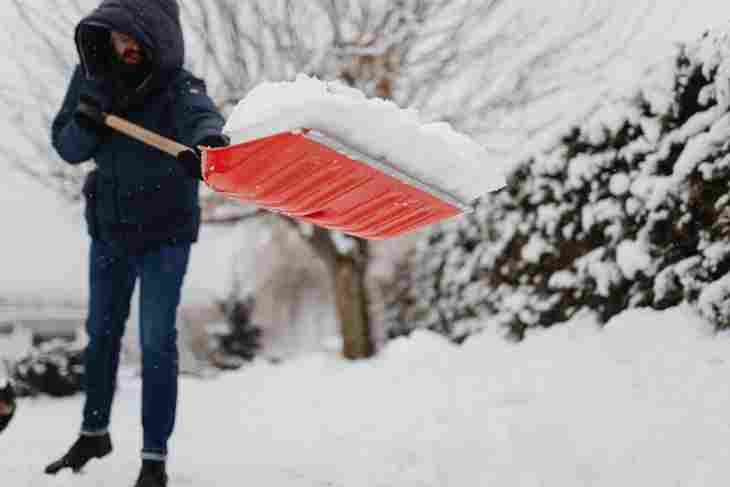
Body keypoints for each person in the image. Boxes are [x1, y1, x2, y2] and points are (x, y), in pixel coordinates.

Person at [45, 1, 229, 486]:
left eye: (134, 37)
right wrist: (85, 123)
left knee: (154, 342)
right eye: (116, 35)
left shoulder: (180, 86)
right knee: (101, 334)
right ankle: (94, 432)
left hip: (166, 233)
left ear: (159, 37)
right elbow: (66, 147)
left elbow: (204, 118)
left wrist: (207, 146)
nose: (124, 46)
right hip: (109, 228)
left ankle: (154, 459)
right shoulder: (91, 79)